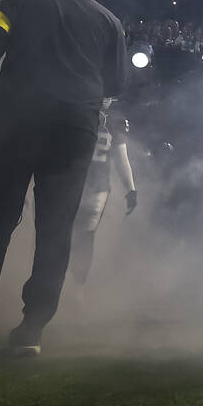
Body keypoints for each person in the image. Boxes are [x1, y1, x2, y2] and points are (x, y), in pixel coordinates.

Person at [0, 0, 128, 360]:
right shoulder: (111, 22)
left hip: (17, 121)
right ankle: (32, 330)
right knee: (57, 229)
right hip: (75, 129)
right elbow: (114, 84)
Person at [69, 105, 137, 294]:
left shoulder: (77, 104)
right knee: (83, 237)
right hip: (92, 187)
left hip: (74, 183)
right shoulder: (114, 117)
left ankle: (65, 289)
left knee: (58, 234)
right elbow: (122, 159)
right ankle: (76, 290)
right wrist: (131, 189)